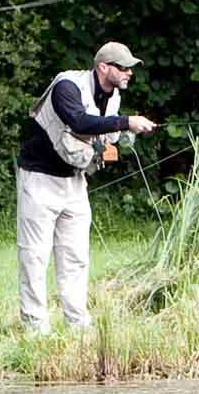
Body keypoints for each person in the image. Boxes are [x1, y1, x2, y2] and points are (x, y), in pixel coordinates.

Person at [15, 41, 159, 335]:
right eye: (123, 67)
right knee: (35, 255)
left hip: (75, 181)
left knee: (76, 257)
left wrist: (110, 142)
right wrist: (127, 122)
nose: (129, 72)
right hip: (39, 178)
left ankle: (78, 326)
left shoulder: (113, 96)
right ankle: (35, 329)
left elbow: (101, 133)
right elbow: (78, 120)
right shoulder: (66, 86)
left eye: (130, 68)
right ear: (103, 67)